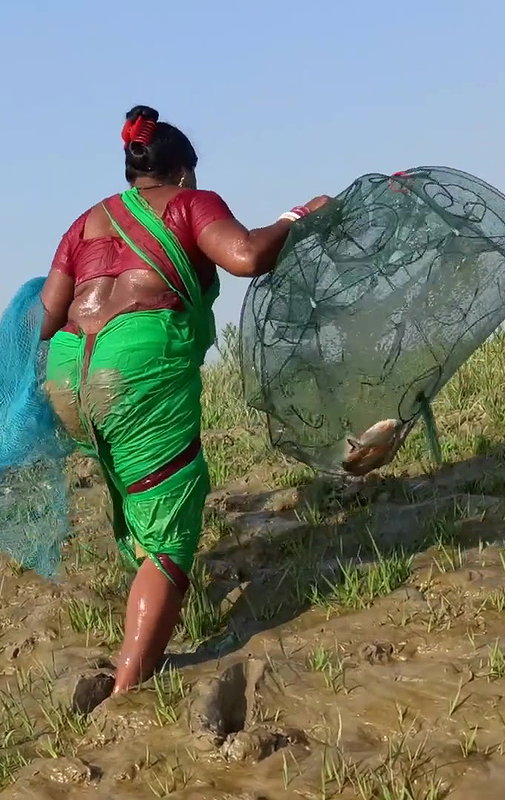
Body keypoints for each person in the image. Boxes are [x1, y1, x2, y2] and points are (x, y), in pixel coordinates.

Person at [40, 104, 330, 697]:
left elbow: (45, 317)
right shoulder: (189, 203)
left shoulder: (86, 223)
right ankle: (129, 686)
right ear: (185, 172)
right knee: (170, 530)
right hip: (137, 369)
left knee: (135, 488)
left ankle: (144, 607)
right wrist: (296, 217)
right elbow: (246, 256)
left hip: (69, 376)